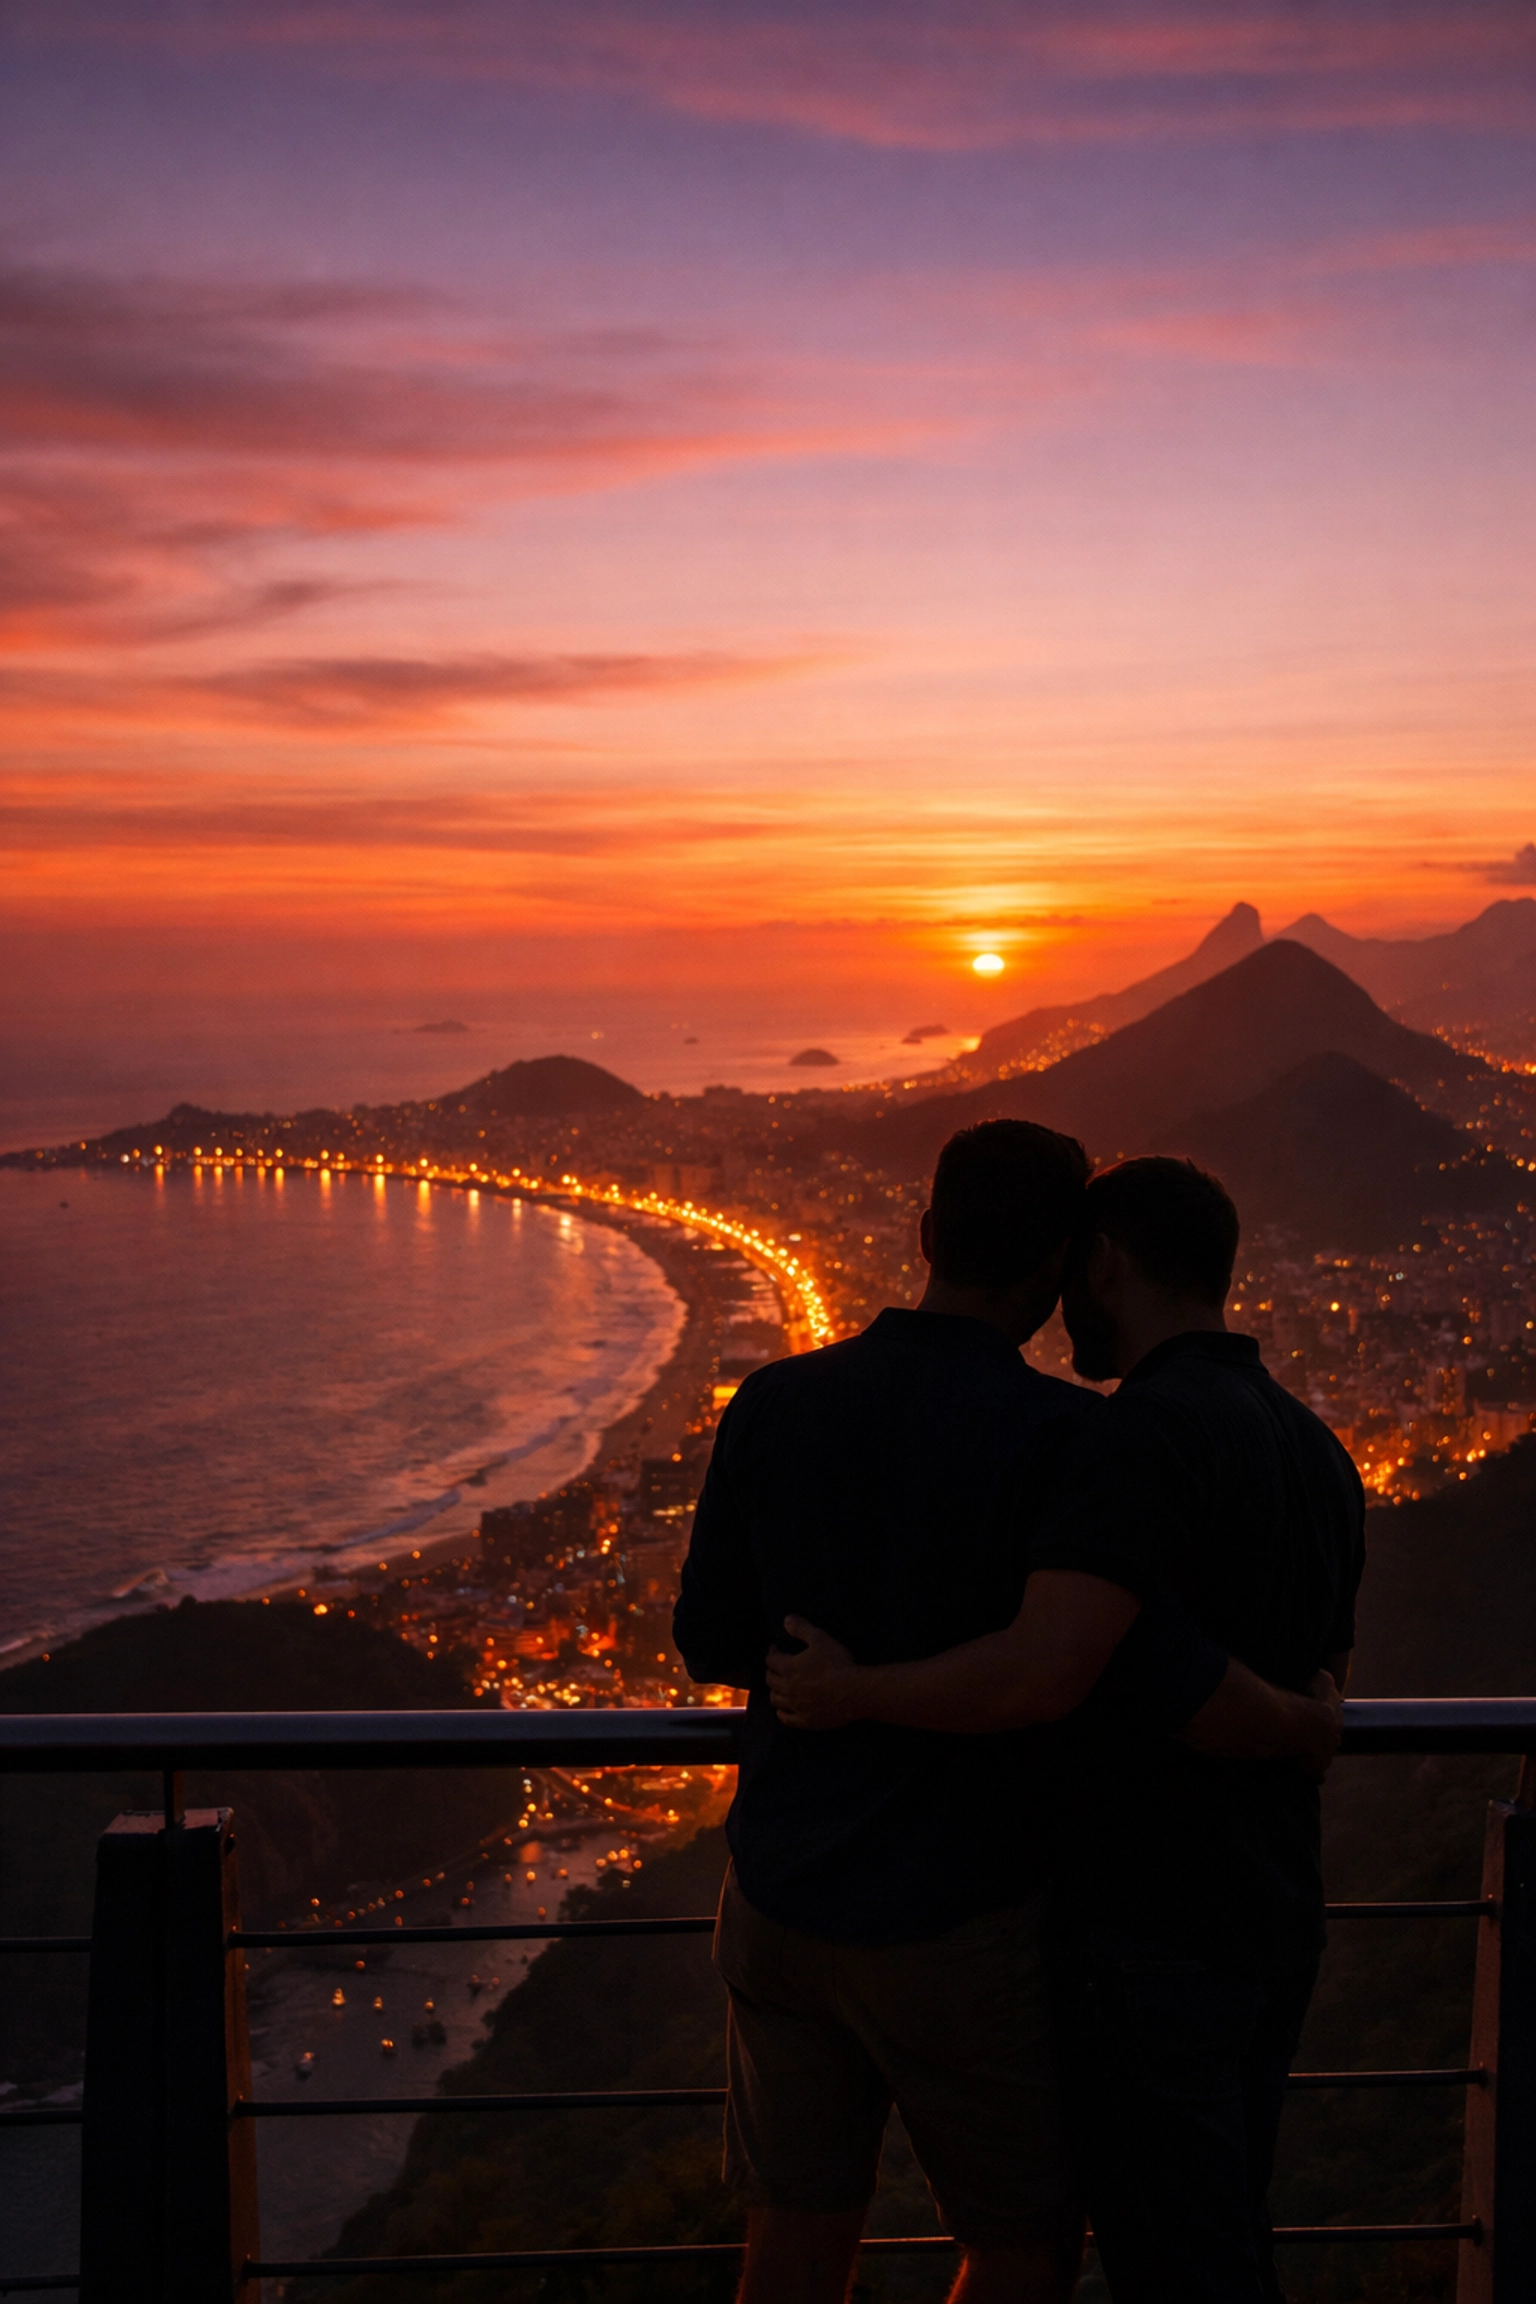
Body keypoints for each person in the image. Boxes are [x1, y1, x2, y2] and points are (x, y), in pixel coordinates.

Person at [677, 1125, 1340, 2304]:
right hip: (959, 1914)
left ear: (925, 1236)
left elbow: (710, 1640)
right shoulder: (1071, 1438)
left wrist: (830, 1669)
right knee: (1022, 2240)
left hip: (778, 1895)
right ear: (1057, 1272)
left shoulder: (773, 1401)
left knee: (794, 2222)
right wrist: (1297, 1722)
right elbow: (1092, 1665)